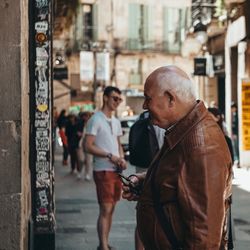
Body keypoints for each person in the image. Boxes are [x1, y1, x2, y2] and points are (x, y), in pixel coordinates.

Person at [122, 66, 233, 249]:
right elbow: (180, 176)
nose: (144, 106)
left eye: (148, 98)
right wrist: (147, 181)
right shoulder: (183, 130)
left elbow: (204, 240)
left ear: (171, 99)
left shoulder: (202, 148)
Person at [85, 86, 127, 250]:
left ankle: (105, 243)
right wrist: (110, 156)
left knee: (112, 208)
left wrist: (121, 158)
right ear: (105, 98)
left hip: (116, 170)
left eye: (119, 99)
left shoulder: (115, 121)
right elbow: (88, 146)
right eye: (114, 98)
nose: (117, 102)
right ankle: (102, 246)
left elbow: (117, 144)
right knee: (105, 208)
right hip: (103, 169)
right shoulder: (96, 120)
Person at [129, 110, 165, 250]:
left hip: (141, 168)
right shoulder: (164, 122)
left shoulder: (141, 118)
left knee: (143, 215)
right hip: (156, 170)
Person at [231, 102, 239, 167]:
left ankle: (237, 160)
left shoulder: (236, 115)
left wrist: (235, 134)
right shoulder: (233, 114)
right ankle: (237, 160)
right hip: (234, 134)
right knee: (235, 146)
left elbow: (236, 125)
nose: (232, 109)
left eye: (232, 108)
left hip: (236, 134)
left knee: (236, 146)